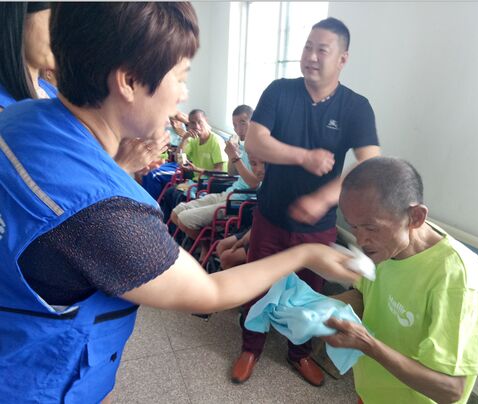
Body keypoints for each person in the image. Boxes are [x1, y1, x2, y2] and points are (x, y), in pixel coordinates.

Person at [0, 4, 360, 402]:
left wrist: (118, 165)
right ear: (129, 81)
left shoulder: (19, 116)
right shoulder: (105, 214)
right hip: (37, 381)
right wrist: (307, 253)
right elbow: (209, 291)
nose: (183, 94)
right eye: (181, 77)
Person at [233, 17, 381, 386]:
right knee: (257, 284)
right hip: (270, 216)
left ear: (342, 59)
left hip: (317, 227)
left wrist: (324, 196)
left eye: (322, 50)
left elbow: (371, 164)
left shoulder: (356, 107)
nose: (311, 56)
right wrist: (303, 157)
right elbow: (255, 140)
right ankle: (250, 347)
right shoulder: (280, 91)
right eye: (307, 47)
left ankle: (299, 353)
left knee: (309, 296)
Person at [323, 157, 478, 404]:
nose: (360, 240)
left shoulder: (457, 277)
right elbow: (365, 296)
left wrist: (369, 345)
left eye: (371, 228)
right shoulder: (385, 248)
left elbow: (450, 390)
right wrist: (317, 307)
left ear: (416, 217)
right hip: (370, 394)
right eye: (354, 227)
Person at [0, 2, 167, 176]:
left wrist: (127, 154)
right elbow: (50, 185)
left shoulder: (48, 91)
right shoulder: (6, 113)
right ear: (16, 22)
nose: (64, 34)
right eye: (54, 22)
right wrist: (121, 166)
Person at [170, 105, 260, 244]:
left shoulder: (259, 149)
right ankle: (205, 246)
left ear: (253, 122)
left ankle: (208, 246)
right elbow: (231, 173)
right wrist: (232, 156)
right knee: (176, 213)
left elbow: (254, 184)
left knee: (184, 218)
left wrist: (235, 158)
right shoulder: (243, 146)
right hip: (228, 193)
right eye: (235, 125)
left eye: (242, 123)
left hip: (239, 201)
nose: (238, 129)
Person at [0, 2, 57, 110]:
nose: (61, 34)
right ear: (18, 21)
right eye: (53, 21)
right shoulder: (4, 110)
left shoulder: (49, 90)